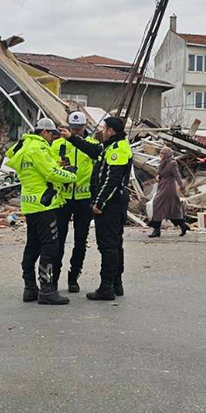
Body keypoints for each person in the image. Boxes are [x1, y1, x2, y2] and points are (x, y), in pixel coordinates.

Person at [5, 117, 78, 305]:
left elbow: (38, 169)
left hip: (30, 203)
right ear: (44, 132)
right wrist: (71, 174)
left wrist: (55, 164)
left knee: (33, 245)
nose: (53, 138)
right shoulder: (38, 148)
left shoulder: (23, 148)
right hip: (44, 204)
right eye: (52, 134)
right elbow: (50, 173)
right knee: (50, 246)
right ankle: (46, 289)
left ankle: (30, 287)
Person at [64, 115, 133, 299]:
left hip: (111, 204)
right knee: (115, 244)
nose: (101, 131)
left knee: (108, 245)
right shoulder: (110, 146)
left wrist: (99, 202)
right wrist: (72, 138)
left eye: (104, 128)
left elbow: (112, 179)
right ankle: (116, 284)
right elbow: (93, 150)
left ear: (111, 131)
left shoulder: (117, 150)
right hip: (113, 202)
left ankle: (106, 287)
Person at [51, 110, 96, 292]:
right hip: (63, 199)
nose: (75, 131)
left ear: (85, 127)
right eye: (72, 128)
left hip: (84, 199)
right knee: (58, 241)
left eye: (78, 129)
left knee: (80, 241)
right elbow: (49, 167)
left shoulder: (91, 144)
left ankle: (73, 276)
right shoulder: (57, 145)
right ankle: (54, 278)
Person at [147, 146, 189, 237]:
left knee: (157, 204)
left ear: (166, 154)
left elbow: (177, 176)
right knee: (172, 209)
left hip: (168, 189)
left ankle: (156, 230)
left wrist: (182, 187)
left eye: (162, 153)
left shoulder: (172, 163)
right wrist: (158, 177)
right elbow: (161, 174)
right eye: (160, 153)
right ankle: (183, 225)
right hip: (162, 186)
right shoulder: (163, 163)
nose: (160, 155)